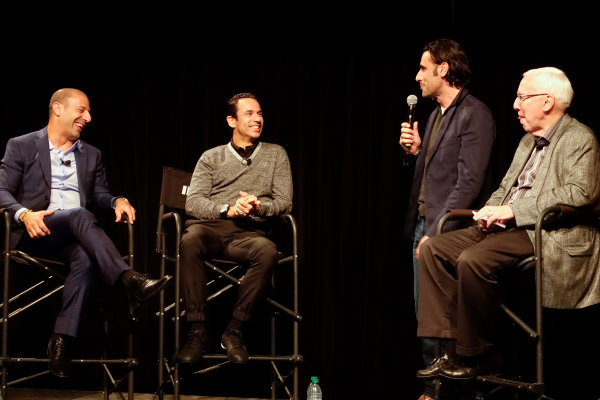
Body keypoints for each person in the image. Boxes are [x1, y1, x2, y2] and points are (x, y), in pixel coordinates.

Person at [416, 67, 600, 382]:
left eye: (521, 97)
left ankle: (480, 356)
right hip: (508, 227)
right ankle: (446, 352)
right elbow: (505, 188)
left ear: (547, 101)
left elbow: (580, 193)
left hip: (542, 232)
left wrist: (512, 211)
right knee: (433, 248)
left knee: (473, 260)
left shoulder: (579, 137)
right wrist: (490, 210)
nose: (515, 105)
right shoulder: (527, 142)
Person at [0, 88, 172, 378]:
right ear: (57, 109)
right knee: (81, 215)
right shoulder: (22, 145)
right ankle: (130, 279)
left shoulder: (92, 155)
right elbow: (2, 191)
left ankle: (61, 341)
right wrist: (24, 213)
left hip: (73, 239)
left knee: (87, 257)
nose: (88, 117)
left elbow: (100, 195)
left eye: (89, 112)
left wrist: (117, 200)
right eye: (81, 110)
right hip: (35, 232)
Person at [399, 38, 496, 400]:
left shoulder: (475, 114)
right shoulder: (435, 114)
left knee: (447, 312)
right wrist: (415, 152)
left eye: (424, 68)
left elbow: (469, 183)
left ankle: (449, 391)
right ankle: (433, 388)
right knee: (426, 313)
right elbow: (434, 173)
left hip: (452, 229)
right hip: (426, 224)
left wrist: (439, 230)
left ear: (443, 69)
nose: (417, 76)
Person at [177, 92, 293, 364]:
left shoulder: (276, 154)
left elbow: (284, 202)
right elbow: (193, 202)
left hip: (250, 234)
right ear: (232, 120)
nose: (257, 119)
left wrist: (258, 208)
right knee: (190, 239)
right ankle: (196, 330)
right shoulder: (211, 157)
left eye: (260, 113)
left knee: (267, 251)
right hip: (211, 228)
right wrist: (226, 208)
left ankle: (234, 330)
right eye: (249, 114)